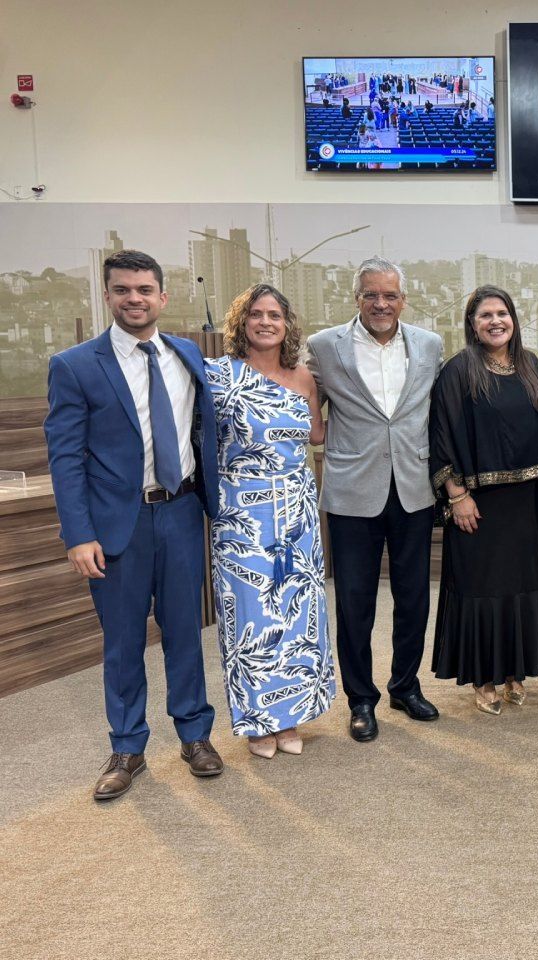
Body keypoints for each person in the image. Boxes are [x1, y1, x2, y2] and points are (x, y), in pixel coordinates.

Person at [45, 249, 224, 800]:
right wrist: (77, 534)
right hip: (116, 526)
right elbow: (66, 457)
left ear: (162, 297)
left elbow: (205, 429)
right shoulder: (75, 365)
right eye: (123, 289)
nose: (135, 298)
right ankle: (128, 746)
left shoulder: (186, 353)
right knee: (123, 642)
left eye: (145, 289)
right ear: (108, 296)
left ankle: (194, 735)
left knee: (185, 634)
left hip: (181, 512)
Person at [306, 257, 444, 742]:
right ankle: (361, 699)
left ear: (403, 300)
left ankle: (405, 686)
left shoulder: (430, 344)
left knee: (414, 599)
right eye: (371, 295)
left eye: (390, 295)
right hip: (351, 493)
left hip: (413, 487)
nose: (381, 303)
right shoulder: (325, 347)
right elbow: (306, 409)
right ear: (357, 298)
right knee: (355, 602)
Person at [206, 284, 335, 759]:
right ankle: (259, 722)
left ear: (287, 324)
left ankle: (292, 716)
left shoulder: (303, 378)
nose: (265, 322)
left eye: (274, 315)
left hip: (297, 509)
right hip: (242, 511)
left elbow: (315, 436)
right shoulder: (218, 375)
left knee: (298, 614)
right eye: (256, 314)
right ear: (241, 323)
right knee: (251, 616)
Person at [429, 286, 538, 715]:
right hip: (476, 504)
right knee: (480, 589)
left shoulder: (530, 366)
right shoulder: (459, 370)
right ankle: (483, 678)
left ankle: (514, 673)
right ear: (472, 324)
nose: (496, 321)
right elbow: (441, 434)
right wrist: (457, 494)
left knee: (519, 586)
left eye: (503, 313)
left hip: (524, 502)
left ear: (514, 320)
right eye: (486, 315)